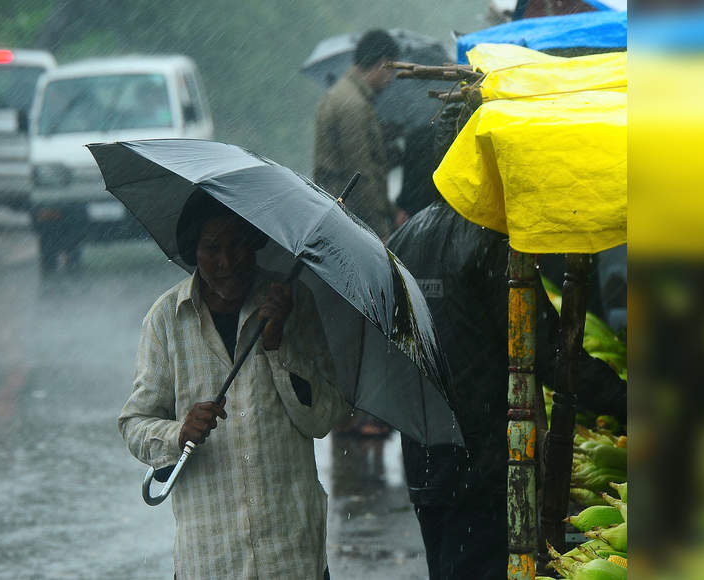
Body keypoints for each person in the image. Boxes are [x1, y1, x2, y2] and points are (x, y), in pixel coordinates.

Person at [386, 103, 628, 580]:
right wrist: (627, 402)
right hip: (485, 464)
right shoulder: (491, 242)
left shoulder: (404, 238)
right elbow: (548, 352)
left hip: (427, 461)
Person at [118, 191, 348, 579]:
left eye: (238, 245)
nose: (227, 262)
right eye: (212, 248)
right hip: (211, 560)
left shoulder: (293, 303)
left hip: (291, 557)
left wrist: (277, 344)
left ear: (255, 243)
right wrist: (179, 433)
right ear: (194, 250)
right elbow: (134, 425)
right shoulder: (165, 321)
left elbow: (322, 418)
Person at [314, 28, 399, 240]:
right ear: (382, 63)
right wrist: (379, 231)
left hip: (337, 214)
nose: (391, 78)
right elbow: (360, 174)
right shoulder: (353, 105)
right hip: (351, 221)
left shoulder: (341, 95)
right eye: (391, 70)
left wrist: (392, 210)